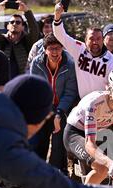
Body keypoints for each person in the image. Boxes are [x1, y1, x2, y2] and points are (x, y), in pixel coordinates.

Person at [29, 33, 78, 175]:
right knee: (38, 138)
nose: (55, 52)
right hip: (43, 105)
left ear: (62, 48)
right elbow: (35, 88)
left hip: (62, 106)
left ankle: (57, 172)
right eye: (51, 48)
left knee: (58, 138)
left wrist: (58, 113)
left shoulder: (69, 64)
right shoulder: (37, 63)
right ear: (45, 50)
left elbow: (70, 92)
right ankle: (35, 173)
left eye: (58, 48)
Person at [53, 2, 113, 99]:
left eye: (98, 39)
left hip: (104, 106)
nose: (95, 42)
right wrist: (57, 16)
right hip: (83, 102)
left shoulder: (112, 61)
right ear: (85, 40)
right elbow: (60, 35)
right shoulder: (79, 48)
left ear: (103, 40)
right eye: (91, 39)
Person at [0, 0, 39, 78]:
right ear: (7, 26)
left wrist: (27, 11)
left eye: (18, 22)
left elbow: (34, 30)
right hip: (3, 80)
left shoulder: (27, 41)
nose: (14, 24)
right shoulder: (2, 40)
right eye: (12, 22)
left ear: (23, 27)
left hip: (22, 80)